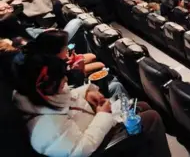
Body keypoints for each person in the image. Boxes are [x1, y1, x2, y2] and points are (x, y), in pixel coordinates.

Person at [12, 54, 171, 157]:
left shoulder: (40, 94)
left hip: (91, 127)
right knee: (151, 119)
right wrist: (103, 115)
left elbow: (65, 98)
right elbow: (80, 151)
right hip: (95, 150)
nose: (66, 81)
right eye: (61, 79)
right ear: (48, 85)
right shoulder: (44, 127)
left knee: (141, 105)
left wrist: (86, 93)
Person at [15, 29, 127, 98]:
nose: (67, 48)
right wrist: (78, 71)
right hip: (80, 94)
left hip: (78, 90)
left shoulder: (48, 60)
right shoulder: (52, 71)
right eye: (65, 46)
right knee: (116, 84)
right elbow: (74, 88)